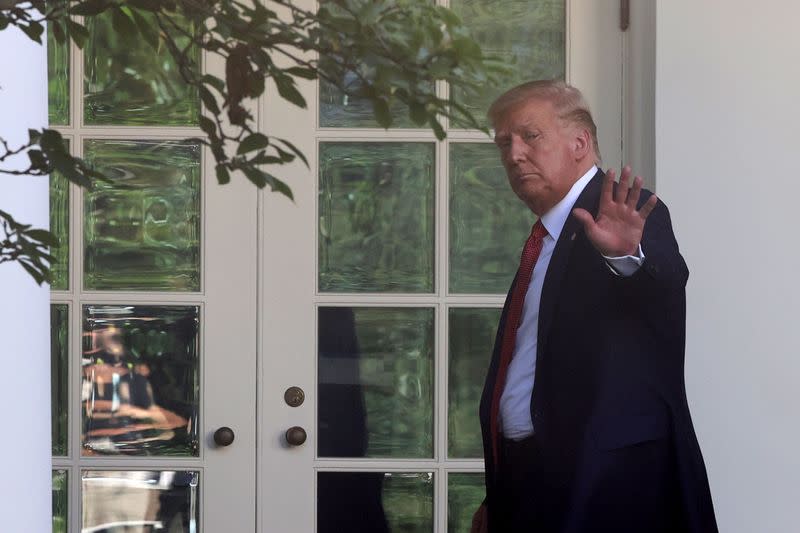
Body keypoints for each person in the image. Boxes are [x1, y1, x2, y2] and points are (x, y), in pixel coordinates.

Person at [471, 80, 717, 532]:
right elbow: (528, 372)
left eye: (531, 136)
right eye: (505, 142)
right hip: (528, 485)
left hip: (606, 492)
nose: (514, 154)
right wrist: (500, 494)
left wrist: (626, 257)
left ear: (580, 142)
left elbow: (665, 290)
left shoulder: (624, 213)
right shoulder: (544, 237)